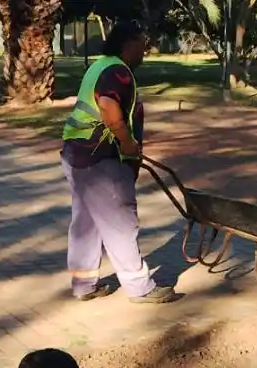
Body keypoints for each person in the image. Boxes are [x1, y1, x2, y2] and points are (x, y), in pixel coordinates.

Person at [61, 20, 179, 303]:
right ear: (128, 44)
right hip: (100, 158)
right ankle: (141, 288)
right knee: (121, 223)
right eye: (142, 43)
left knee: (86, 222)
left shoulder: (102, 64)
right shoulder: (117, 72)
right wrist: (129, 145)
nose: (145, 50)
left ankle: (84, 285)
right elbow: (110, 110)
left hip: (77, 153)